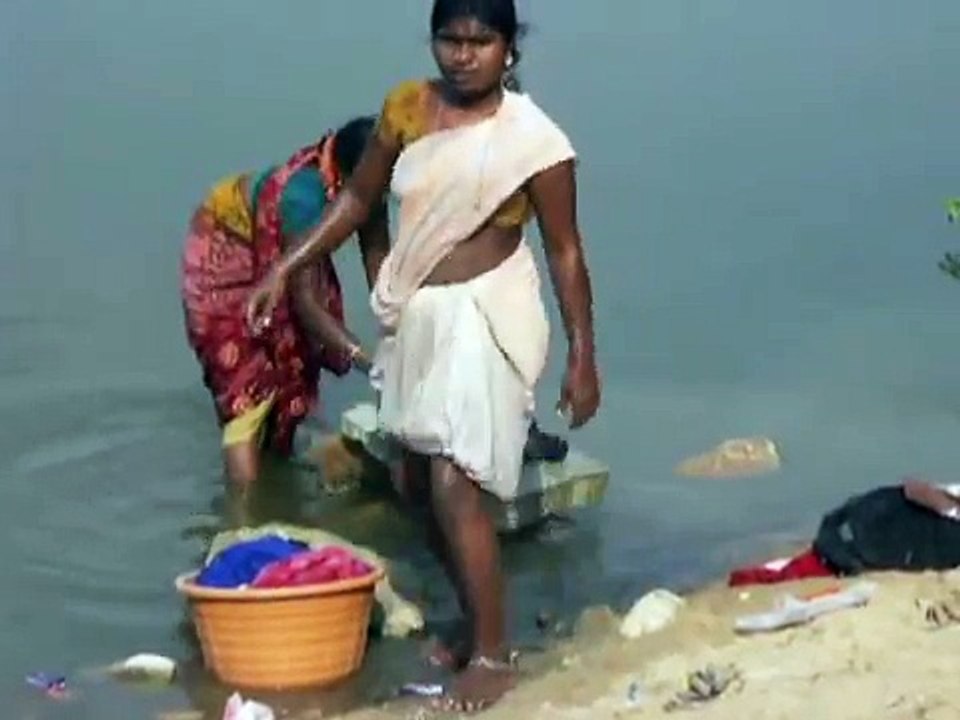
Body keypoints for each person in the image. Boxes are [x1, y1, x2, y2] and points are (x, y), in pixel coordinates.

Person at [247, 0, 601, 710]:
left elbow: (564, 252)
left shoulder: (535, 141)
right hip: (419, 314)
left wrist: (582, 356)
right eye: (450, 39)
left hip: (487, 310)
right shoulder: (407, 108)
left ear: (509, 47)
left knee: (453, 480)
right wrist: (285, 267)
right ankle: (473, 623)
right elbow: (358, 199)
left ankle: (494, 655)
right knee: (414, 483)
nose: (463, 55)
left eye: (481, 41)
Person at [180, 117, 389, 485]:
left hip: (278, 254)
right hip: (224, 257)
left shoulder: (371, 185)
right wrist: (366, 361)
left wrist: (399, 337)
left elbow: (382, 272)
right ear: (350, 176)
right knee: (244, 390)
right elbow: (306, 304)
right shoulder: (303, 198)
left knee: (288, 378)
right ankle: (243, 507)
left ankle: (277, 472)